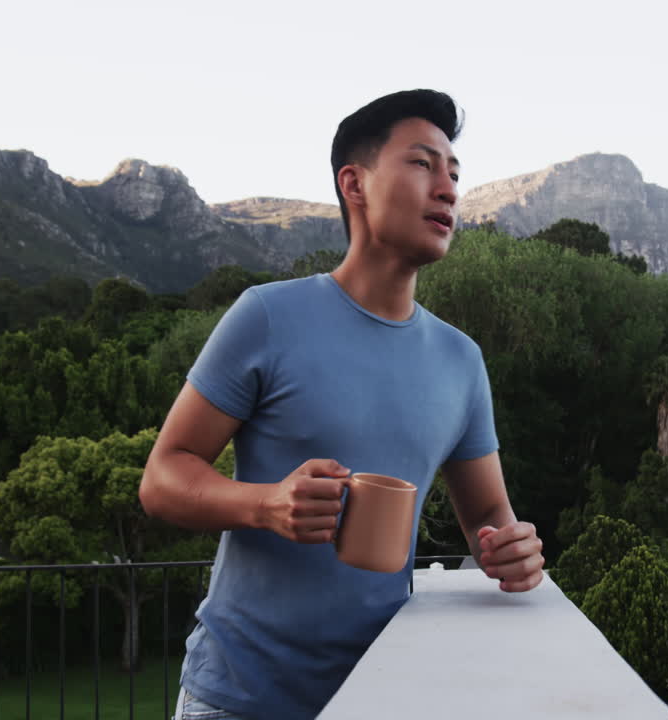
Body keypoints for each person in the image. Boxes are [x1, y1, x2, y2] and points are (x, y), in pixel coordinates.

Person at [139, 89, 546, 720]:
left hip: (380, 695)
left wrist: (509, 548)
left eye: (455, 174)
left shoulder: (460, 360)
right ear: (354, 183)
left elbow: (488, 509)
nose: (449, 189)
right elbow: (164, 477)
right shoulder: (268, 316)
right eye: (422, 164)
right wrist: (267, 503)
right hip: (238, 698)